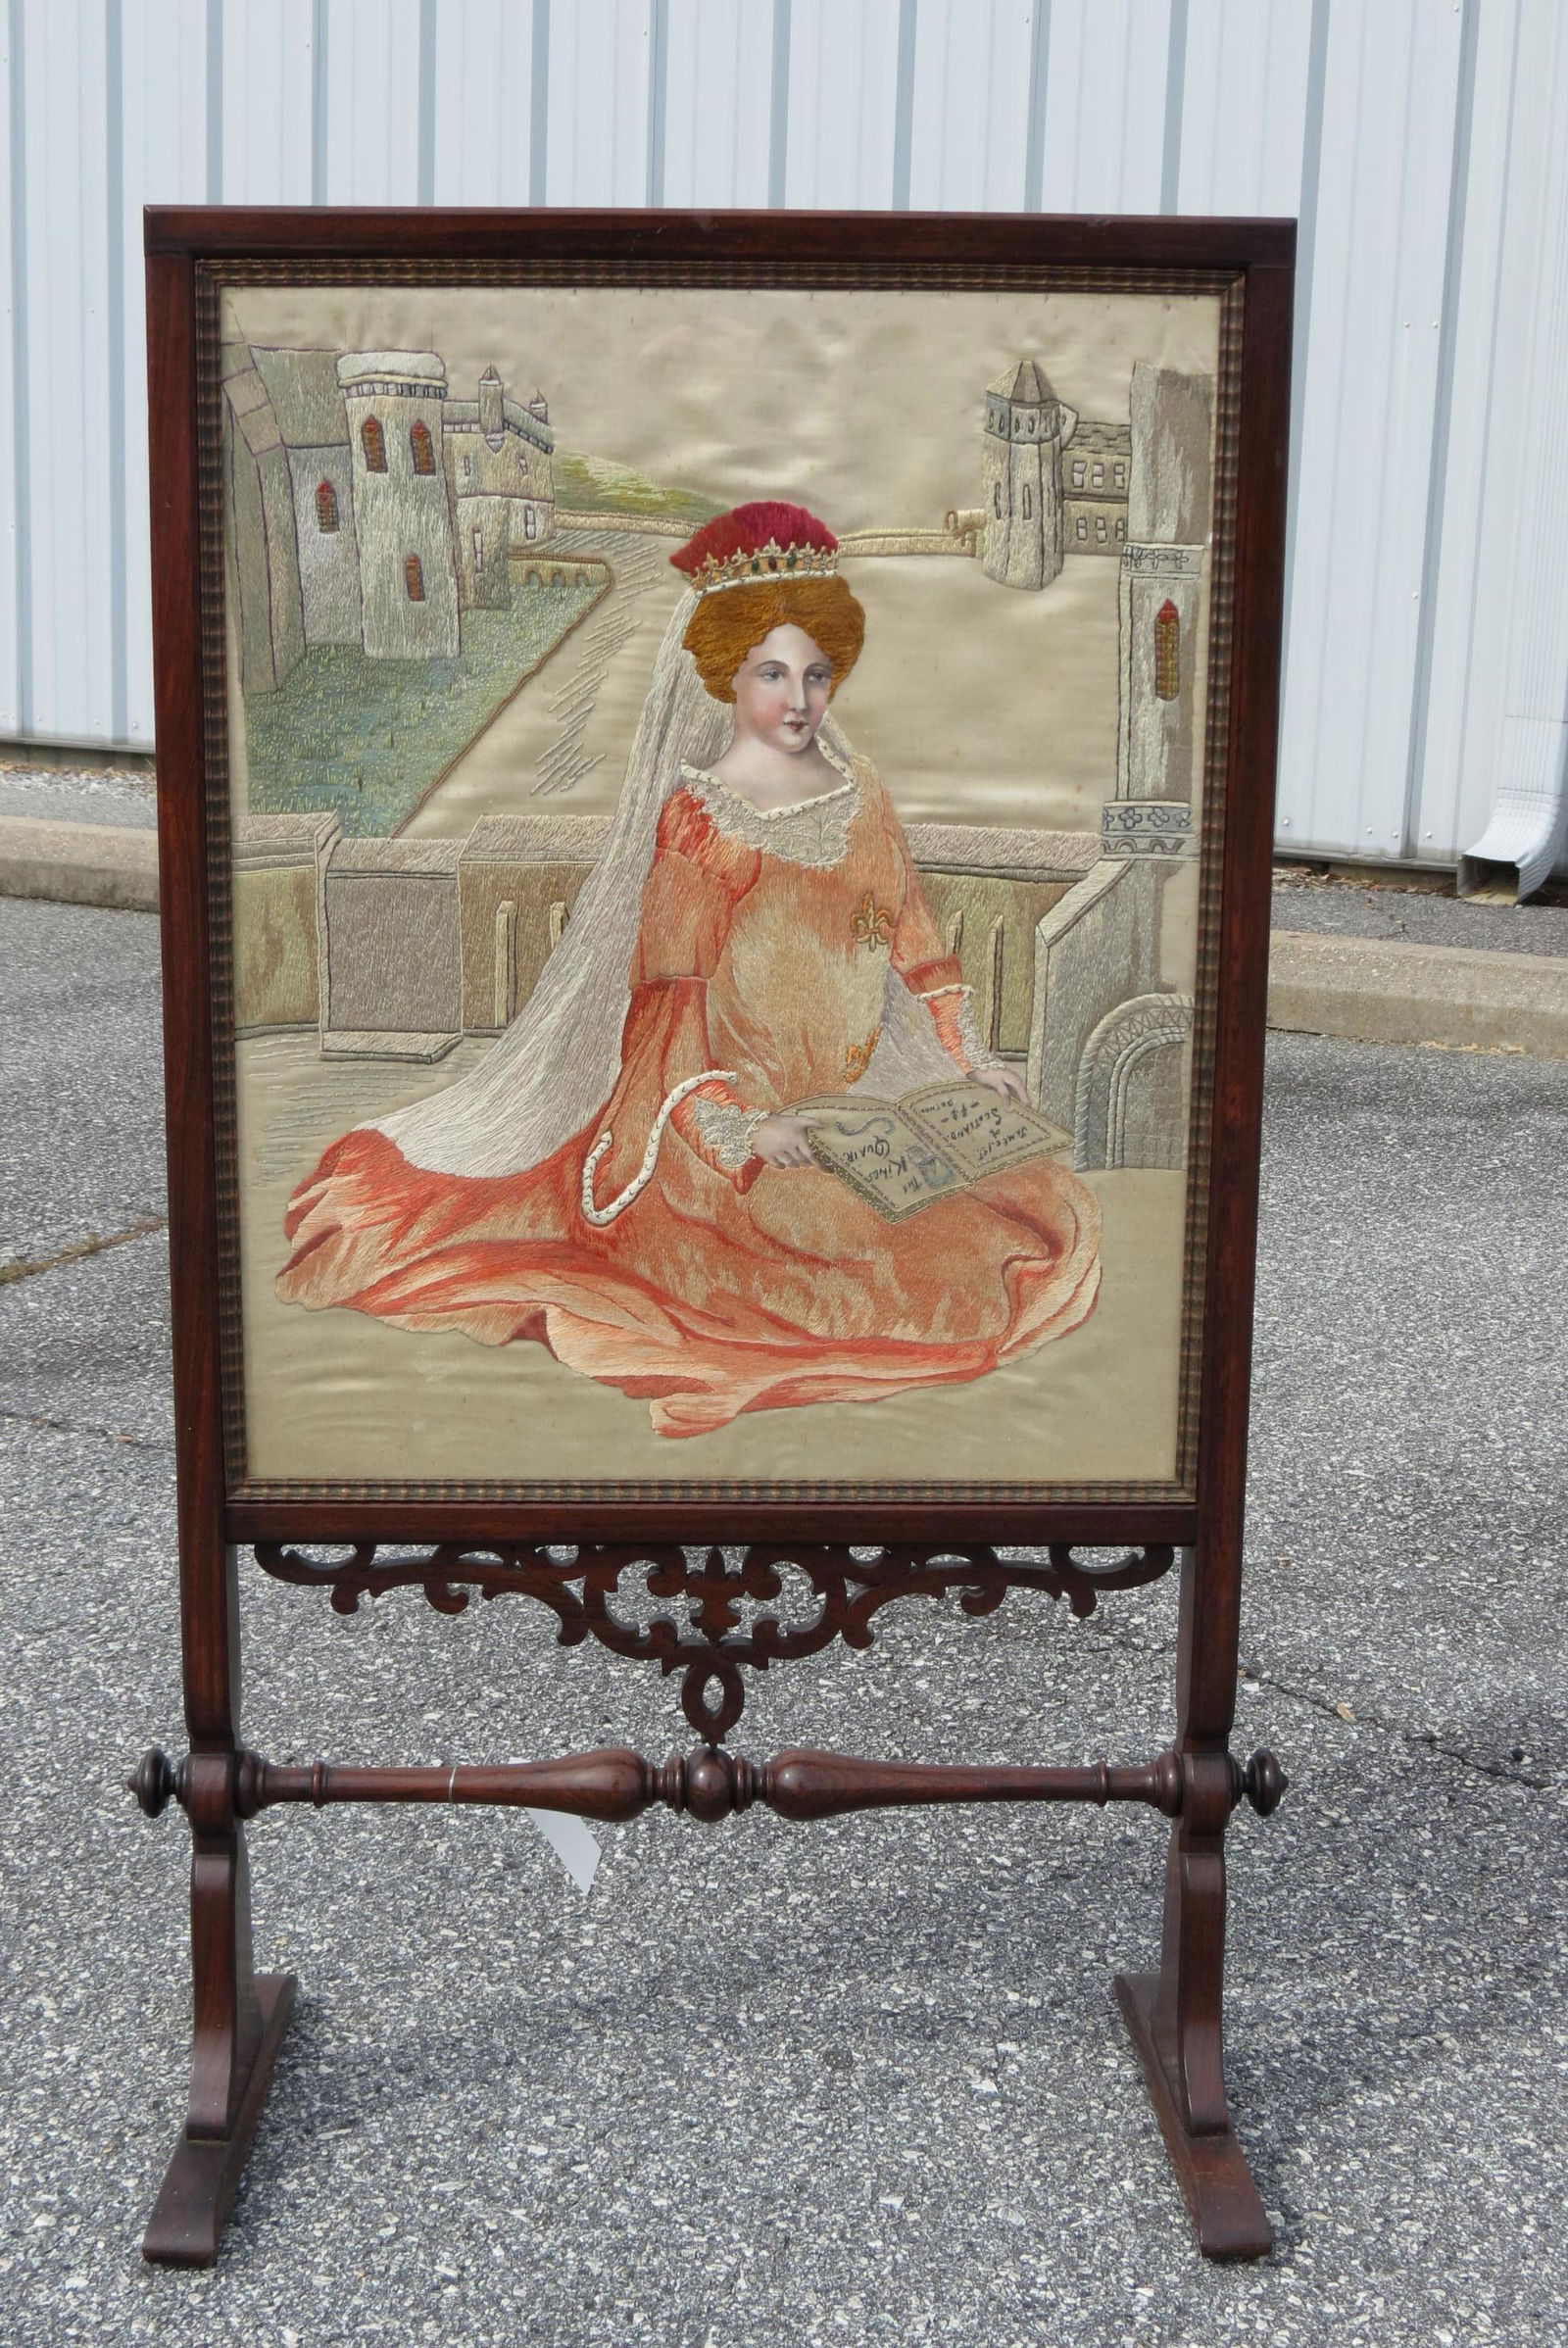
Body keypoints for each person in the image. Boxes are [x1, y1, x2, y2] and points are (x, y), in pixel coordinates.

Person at [277, 502, 1101, 1439]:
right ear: (725, 676)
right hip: (724, 1124)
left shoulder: (861, 793)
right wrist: (741, 1131)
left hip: (851, 1104)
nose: (799, 701)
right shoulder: (705, 825)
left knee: (998, 1213)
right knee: (876, 1272)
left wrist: (968, 1061)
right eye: (772, 674)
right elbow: (667, 1019)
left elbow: (912, 938)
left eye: (817, 674)